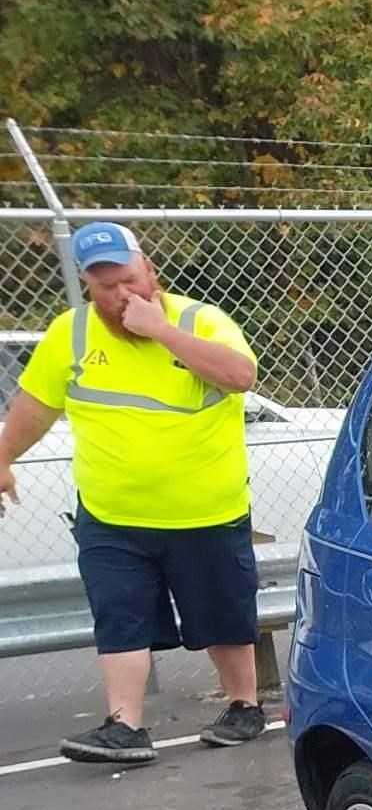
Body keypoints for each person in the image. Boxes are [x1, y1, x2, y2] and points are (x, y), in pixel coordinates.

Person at [0, 222, 268, 765]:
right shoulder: (71, 334)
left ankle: (244, 705)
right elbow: (36, 407)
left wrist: (162, 331)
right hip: (112, 514)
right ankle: (124, 725)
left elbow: (241, 375)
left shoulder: (199, 321)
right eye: (104, 288)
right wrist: (3, 456)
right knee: (119, 614)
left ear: (150, 272)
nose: (120, 296)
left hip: (204, 513)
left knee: (220, 612)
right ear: (86, 287)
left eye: (127, 280)